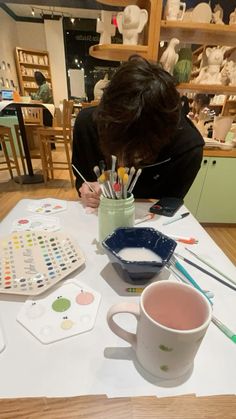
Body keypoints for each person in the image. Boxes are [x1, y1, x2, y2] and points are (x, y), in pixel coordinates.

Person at [72, 55, 204, 208]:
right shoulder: (88, 125)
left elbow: (167, 206)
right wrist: (87, 191)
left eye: (137, 153)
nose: (123, 162)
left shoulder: (187, 149)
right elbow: (82, 182)